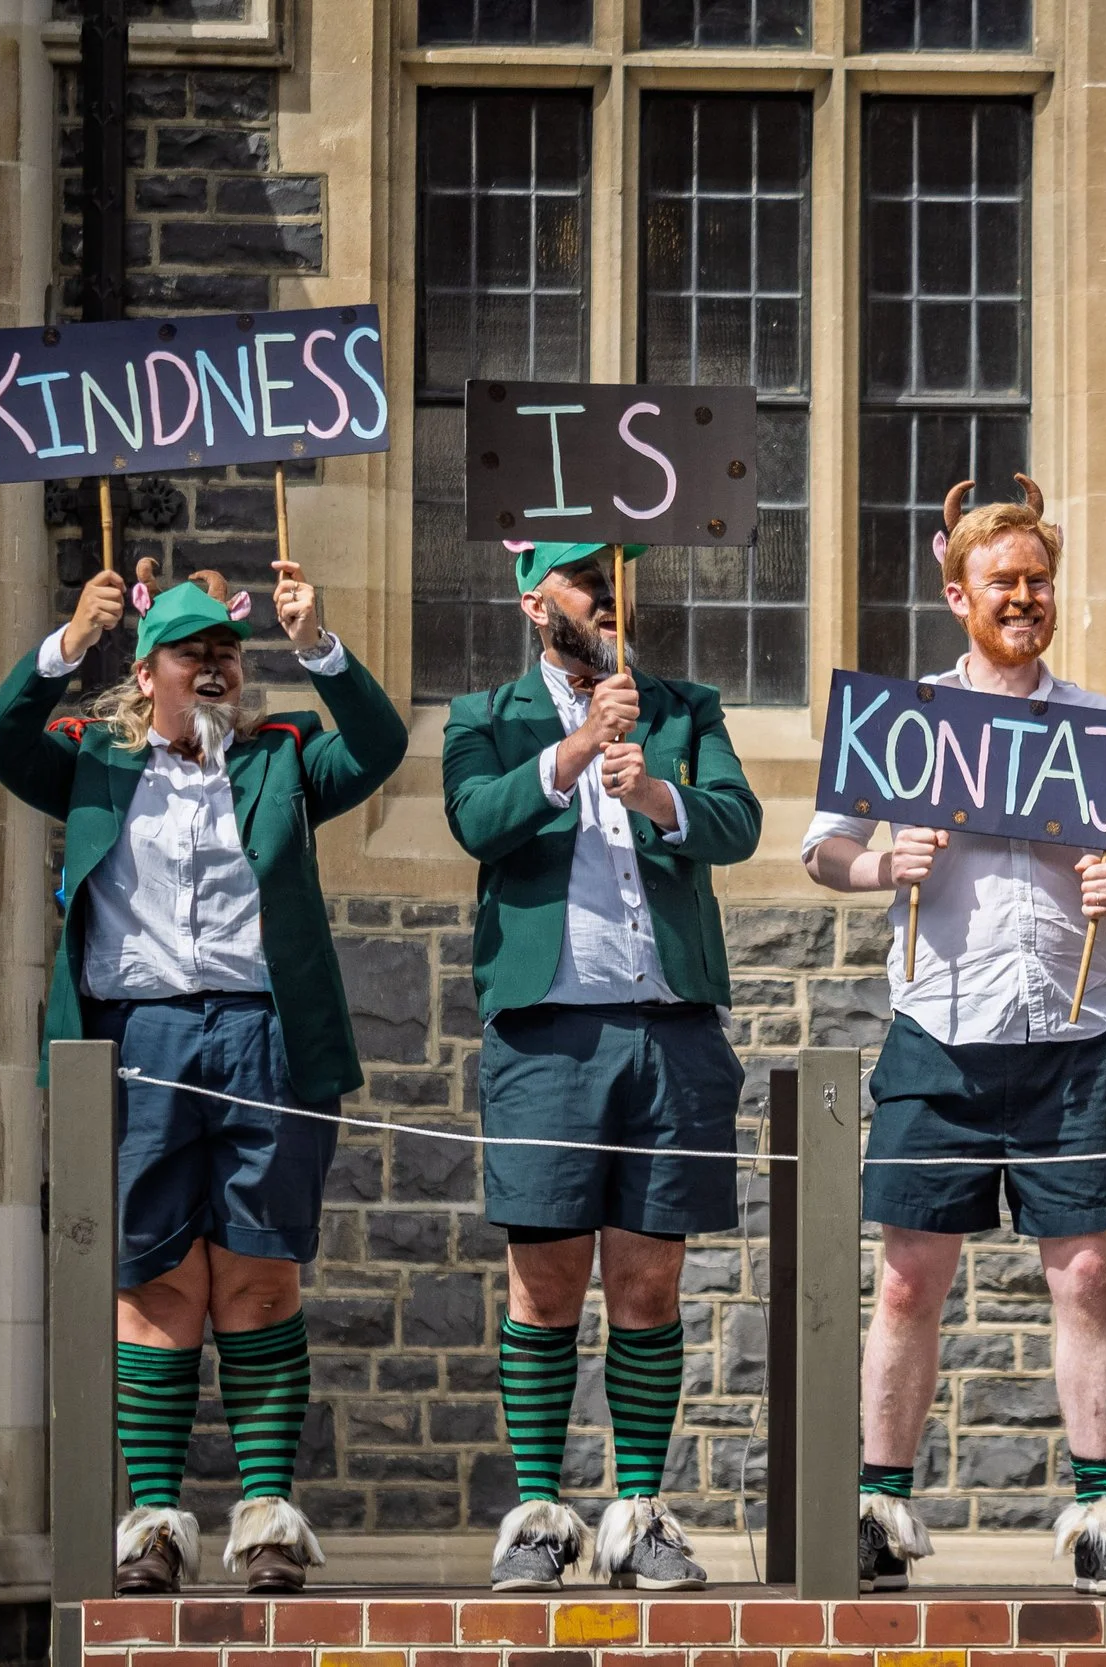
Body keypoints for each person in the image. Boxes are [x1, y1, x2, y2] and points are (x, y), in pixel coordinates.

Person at [0, 556, 408, 1595]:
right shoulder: (93, 758)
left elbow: (384, 746)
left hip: (265, 1033)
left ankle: (265, 1518)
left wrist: (318, 645)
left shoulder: (281, 757)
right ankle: (156, 1521)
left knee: (259, 1272)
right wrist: (69, 639)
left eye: (226, 652)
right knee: (155, 1277)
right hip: (139, 1038)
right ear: (149, 670)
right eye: (191, 653)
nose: (214, 668)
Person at [804, 477, 1106, 1598]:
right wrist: (885, 863)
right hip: (942, 1022)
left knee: (1083, 1273)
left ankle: (1099, 1505)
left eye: (1037, 581)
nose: (1023, 598)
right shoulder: (902, 721)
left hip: (1071, 1029)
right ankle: (879, 1502)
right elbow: (823, 851)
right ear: (955, 591)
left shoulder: (1103, 729)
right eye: (1001, 582)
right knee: (909, 1278)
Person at [440, 541, 765, 1593]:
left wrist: (659, 791)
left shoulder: (685, 706)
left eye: (614, 569)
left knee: (649, 1277)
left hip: (667, 1026)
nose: (609, 590)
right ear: (536, 598)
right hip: (548, 1029)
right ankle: (539, 1511)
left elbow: (738, 823)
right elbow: (477, 819)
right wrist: (579, 746)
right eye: (584, 574)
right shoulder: (483, 716)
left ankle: (637, 1509)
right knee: (543, 1283)